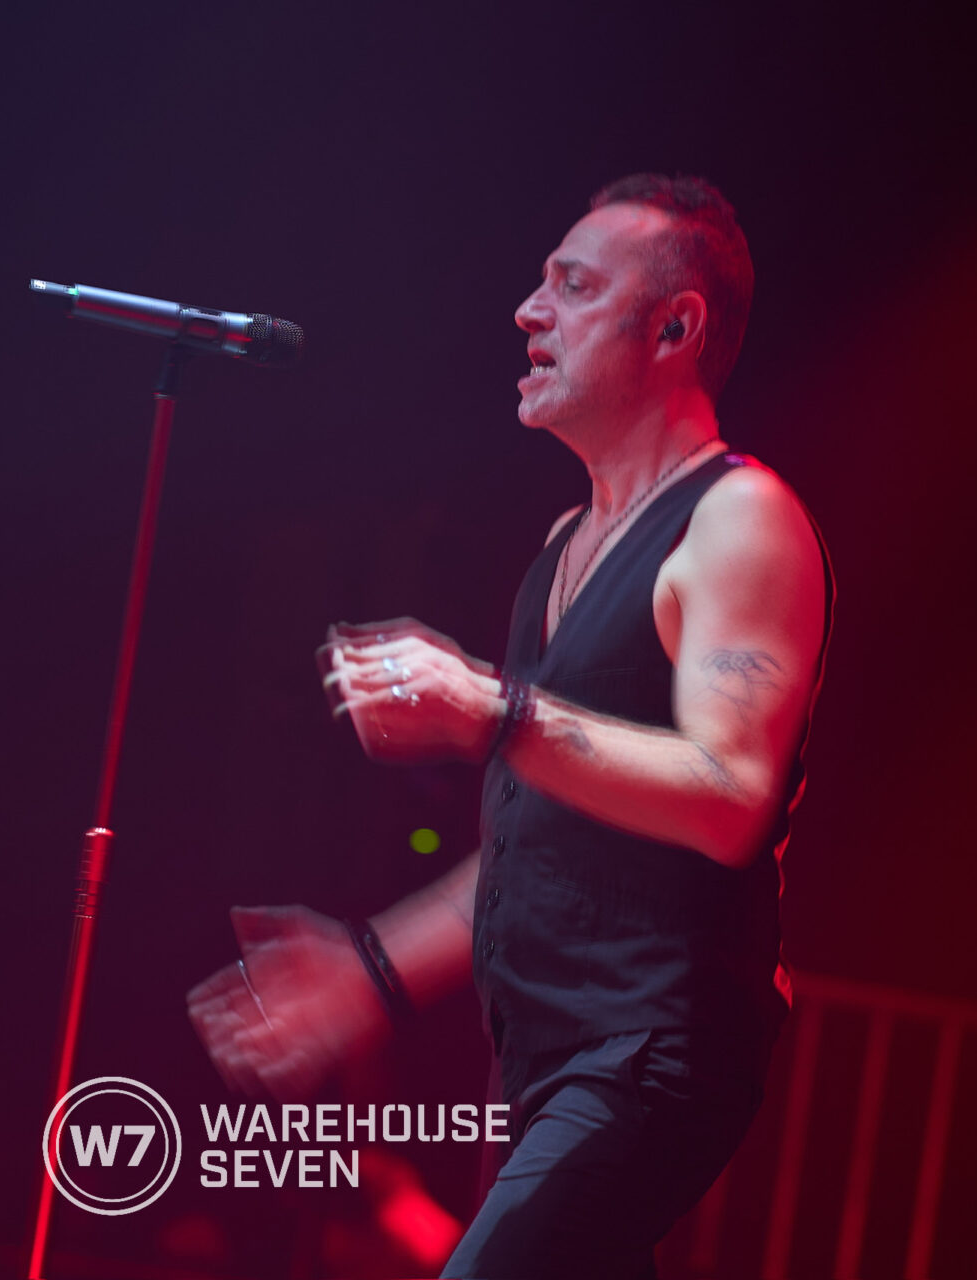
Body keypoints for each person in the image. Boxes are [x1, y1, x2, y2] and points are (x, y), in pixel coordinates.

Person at [187, 174, 832, 1278]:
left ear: (675, 328)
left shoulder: (738, 519)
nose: (530, 312)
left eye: (573, 287)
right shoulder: (562, 546)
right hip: (547, 1059)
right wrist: (372, 964)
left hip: (652, 1048)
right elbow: (543, 836)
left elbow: (732, 796)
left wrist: (497, 708)